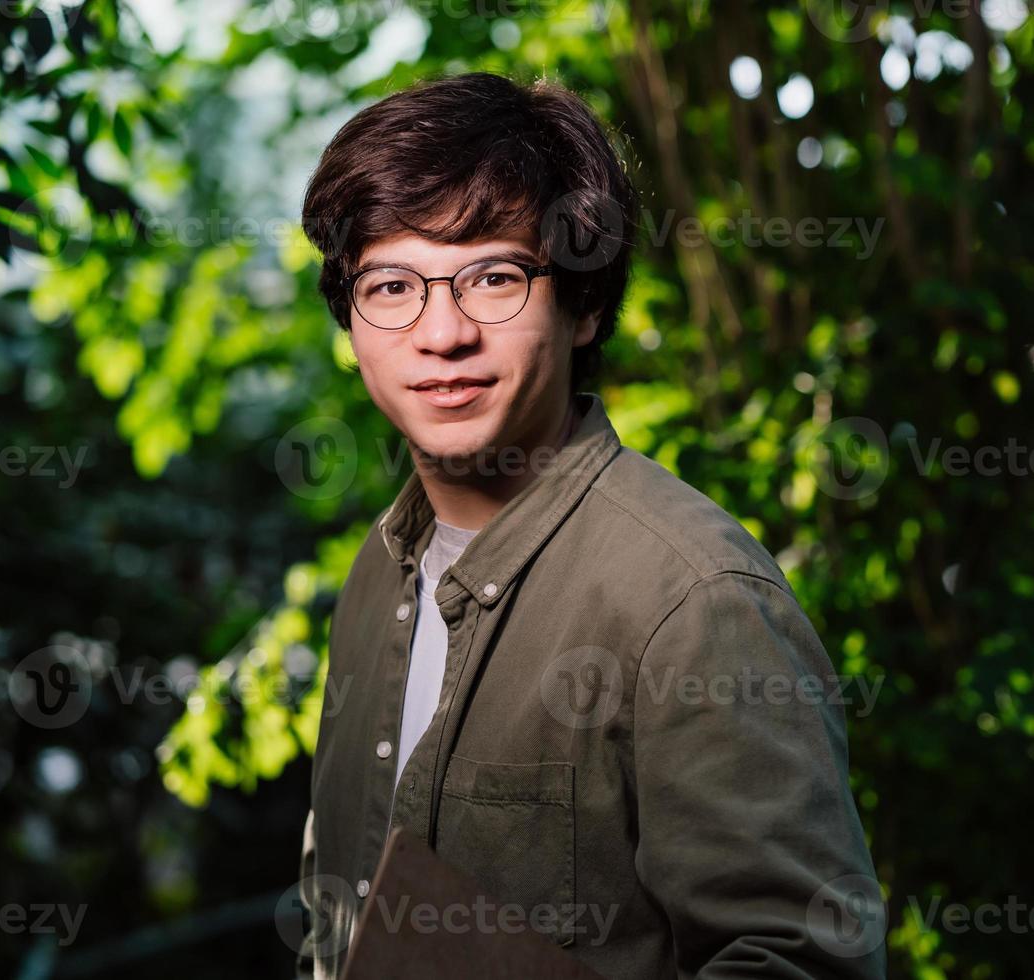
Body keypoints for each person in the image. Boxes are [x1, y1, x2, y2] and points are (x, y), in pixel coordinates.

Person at [294, 71, 886, 979]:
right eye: (391, 285)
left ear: (586, 306)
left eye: (494, 277)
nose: (440, 332)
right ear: (351, 318)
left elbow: (803, 963)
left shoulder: (692, 600)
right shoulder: (379, 576)